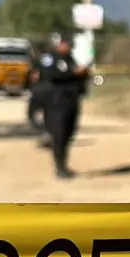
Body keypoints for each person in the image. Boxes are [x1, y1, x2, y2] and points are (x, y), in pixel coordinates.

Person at [41, 33, 90, 178]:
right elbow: (51, 75)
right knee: (59, 134)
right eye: (65, 43)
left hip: (71, 100)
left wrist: (83, 73)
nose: (68, 46)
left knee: (69, 133)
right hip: (57, 101)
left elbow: (78, 76)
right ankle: (59, 166)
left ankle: (64, 164)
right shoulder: (50, 58)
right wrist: (72, 72)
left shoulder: (70, 58)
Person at [27, 40, 54, 147]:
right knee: (49, 114)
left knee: (31, 114)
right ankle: (49, 133)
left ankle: (44, 133)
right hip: (53, 91)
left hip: (40, 90)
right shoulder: (54, 59)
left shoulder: (37, 60)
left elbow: (34, 76)